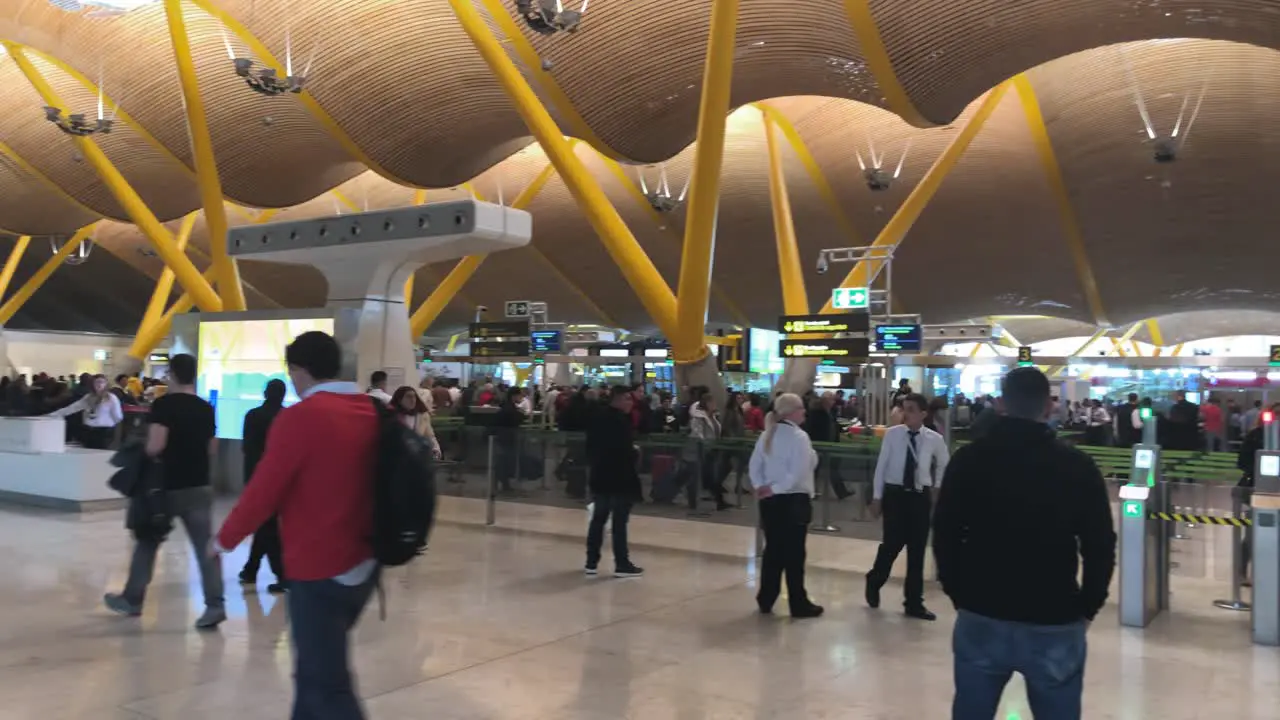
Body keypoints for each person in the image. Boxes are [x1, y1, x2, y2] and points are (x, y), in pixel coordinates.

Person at [212, 331, 381, 719]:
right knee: (312, 673)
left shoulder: (302, 417)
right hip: (366, 563)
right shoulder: (370, 411)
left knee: (328, 684)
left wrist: (224, 541)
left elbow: (264, 491)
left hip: (319, 568)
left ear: (299, 370)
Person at [933, 366, 1116, 720]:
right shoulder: (1077, 466)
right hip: (1054, 615)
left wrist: (959, 592)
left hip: (982, 611)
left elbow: (945, 532)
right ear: (1049, 407)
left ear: (1001, 404)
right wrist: (1088, 606)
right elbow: (1099, 545)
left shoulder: (969, 460)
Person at [103, 354, 225, 630]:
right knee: (205, 547)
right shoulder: (206, 408)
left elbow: (156, 445)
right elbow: (212, 448)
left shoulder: (164, 405)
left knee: (148, 541)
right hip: (198, 486)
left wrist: (142, 450)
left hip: (165, 487)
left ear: (172, 374)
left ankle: (133, 599)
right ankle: (215, 605)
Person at [866, 393, 950, 621]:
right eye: (904, 409)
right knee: (891, 545)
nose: (907, 414)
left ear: (923, 413)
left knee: (917, 550)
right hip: (895, 496)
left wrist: (937, 486)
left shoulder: (933, 439)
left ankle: (914, 602)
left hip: (919, 498)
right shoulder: (893, 435)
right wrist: (877, 497)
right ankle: (875, 580)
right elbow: (881, 467)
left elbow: (944, 462)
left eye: (912, 409)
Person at [749, 392, 823, 618]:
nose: (805, 412)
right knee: (794, 555)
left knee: (773, 551)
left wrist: (762, 487)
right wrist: (778, 488)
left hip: (770, 503)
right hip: (794, 501)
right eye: (801, 408)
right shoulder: (799, 437)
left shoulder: (767, 434)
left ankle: (766, 597)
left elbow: (755, 466)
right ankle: (798, 603)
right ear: (792, 411)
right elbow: (798, 472)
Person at [584, 385, 644, 578]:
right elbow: (624, 452)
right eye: (627, 398)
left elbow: (590, 447)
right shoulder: (621, 422)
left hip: (600, 476)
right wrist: (634, 452)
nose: (630, 402)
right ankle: (621, 563)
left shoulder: (597, 418)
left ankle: (591, 562)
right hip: (620, 479)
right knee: (619, 522)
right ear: (617, 400)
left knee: (598, 520)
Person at [238, 379, 288, 594]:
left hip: (256, 476)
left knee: (265, 525)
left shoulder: (252, 416)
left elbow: (246, 448)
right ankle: (251, 569)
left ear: (265, 392)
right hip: (280, 477)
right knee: (265, 523)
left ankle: (282, 574)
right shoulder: (288, 417)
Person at [46, 373, 123, 449]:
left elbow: (118, 416)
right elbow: (73, 408)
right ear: (92, 384)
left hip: (104, 432)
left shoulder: (111, 398)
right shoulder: (88, 397)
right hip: (89, 431)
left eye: (102, 382)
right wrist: (52, 414)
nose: (99, 385)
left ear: (106, 384)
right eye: (96, 382)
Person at [391, 385, 441, 458]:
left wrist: (436, 449)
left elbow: (430, 435)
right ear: (399, 399)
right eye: (408, 397)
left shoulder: (422, 416)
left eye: (414, 396)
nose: (412, 400)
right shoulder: (392, 415)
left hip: (418, 456)